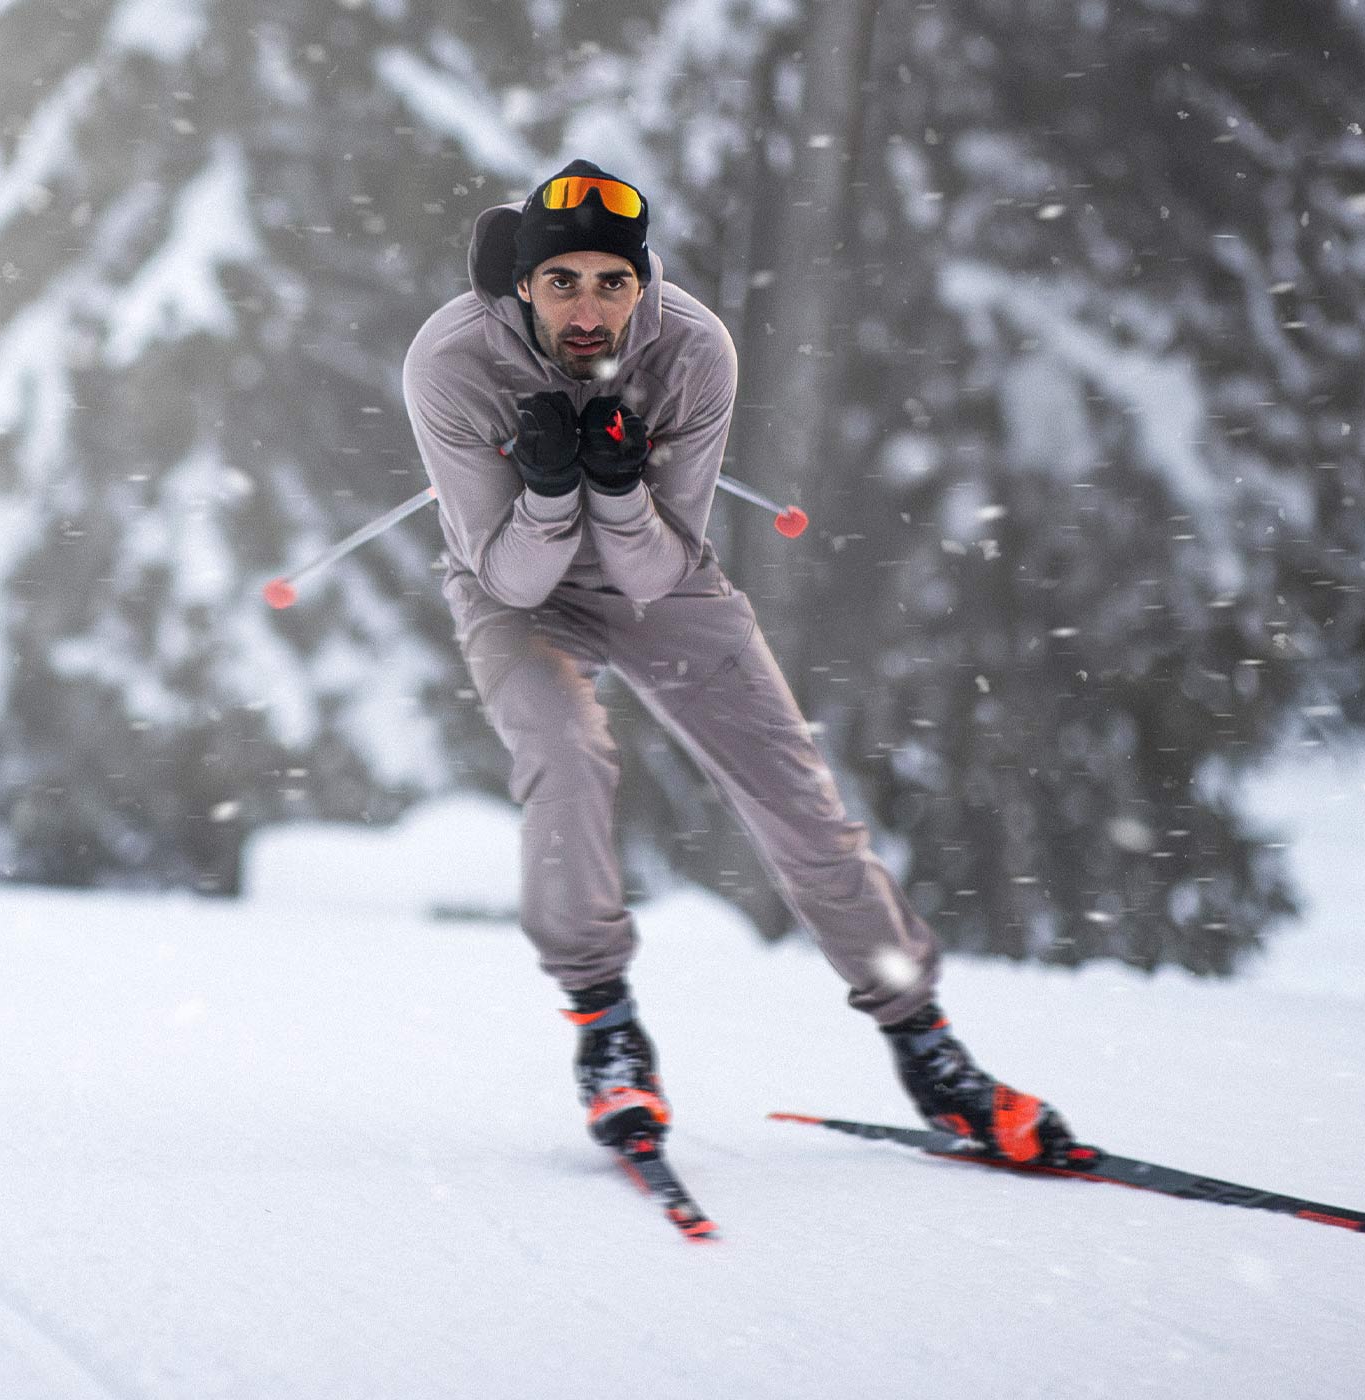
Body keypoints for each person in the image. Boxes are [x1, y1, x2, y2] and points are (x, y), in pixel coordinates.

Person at [399, 160, 1072, 1164]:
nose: (590, 309)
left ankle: (928, 1046)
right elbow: (513, 576)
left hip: (663, 584)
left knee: (799, 805)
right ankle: (606, 1025)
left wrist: (618, 487)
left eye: (613, 283)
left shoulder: (694, 350)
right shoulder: (450, 361)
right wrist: (547, 490)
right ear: (523, 285)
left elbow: (653, 567)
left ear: (643, 282)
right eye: (563, 282)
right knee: (566, 754)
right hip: (514, 593)